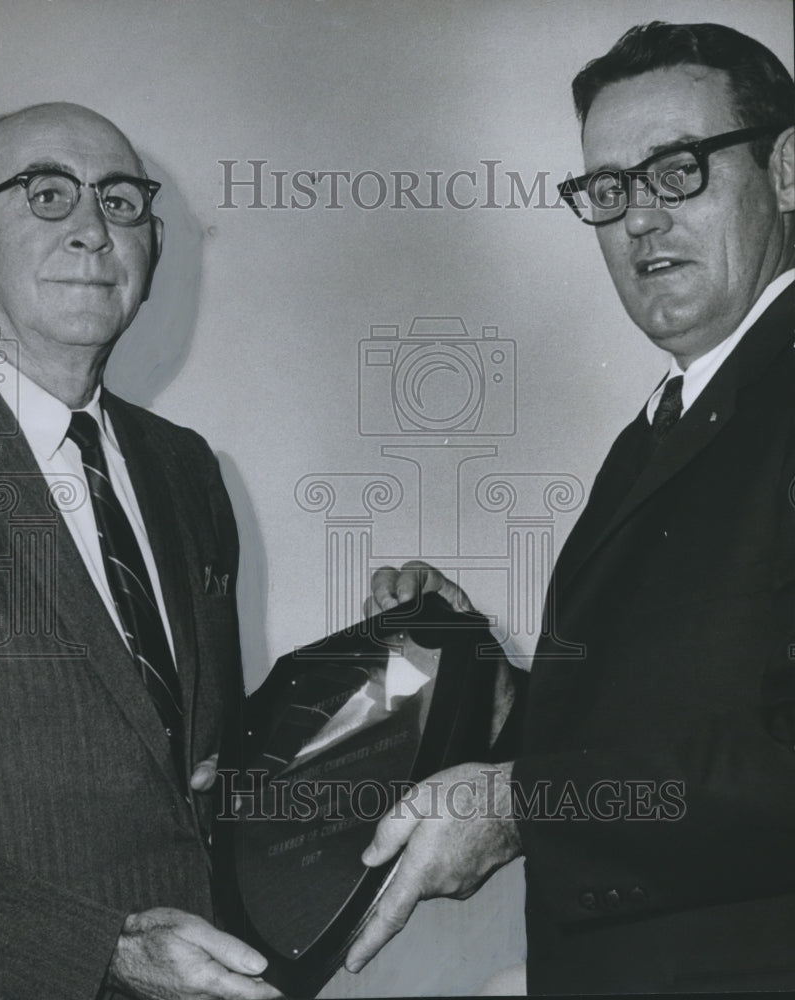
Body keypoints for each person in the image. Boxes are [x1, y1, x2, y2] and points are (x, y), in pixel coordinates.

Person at [344, 21, 795, 994]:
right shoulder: (665, 422)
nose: (639, 218)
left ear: (788, 169)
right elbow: (657, 718)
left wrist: (520, 804)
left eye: (677, 170)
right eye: (609, 188)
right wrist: (469, 663)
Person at [0, 102, 280, 1000]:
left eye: (121, 203)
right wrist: (102, 951)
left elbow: (193, 756)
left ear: (152, 249)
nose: (93, 231)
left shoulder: (184, 467)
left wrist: (398, 650)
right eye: (47, 195)